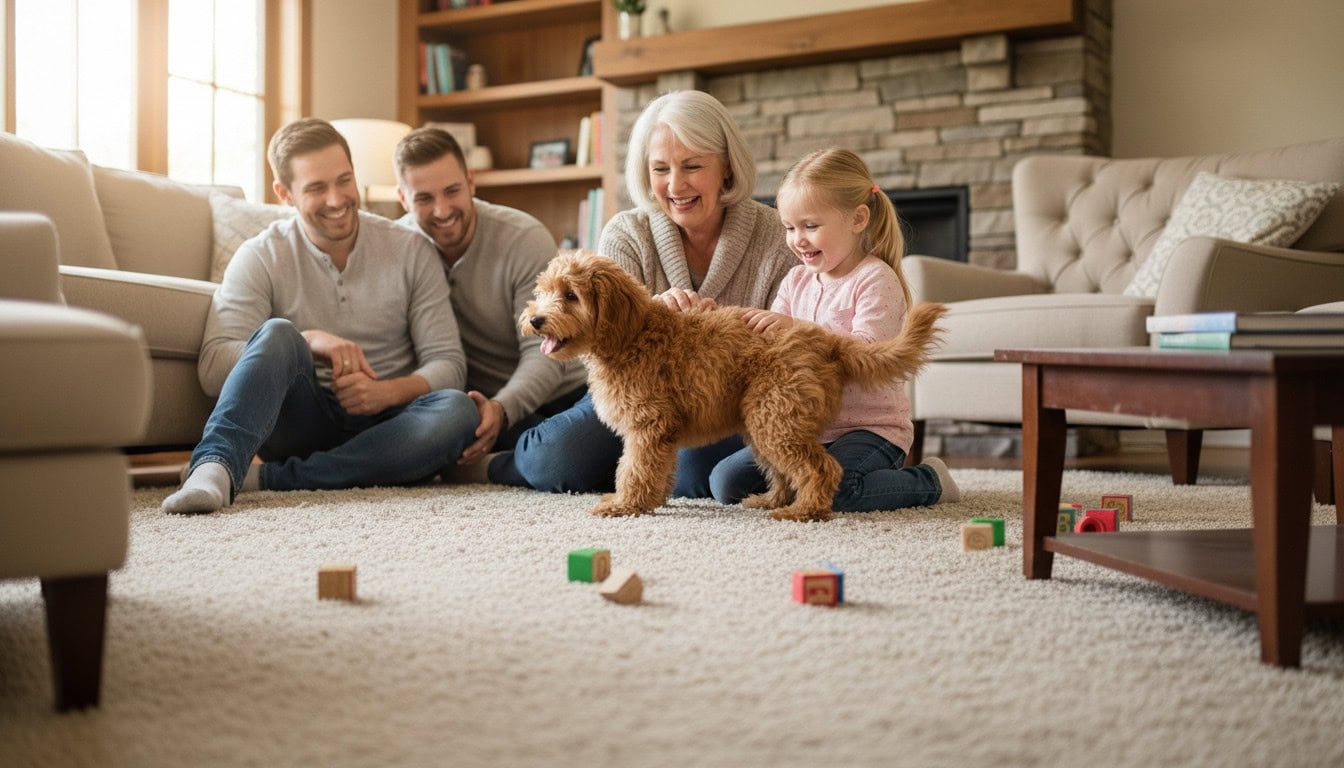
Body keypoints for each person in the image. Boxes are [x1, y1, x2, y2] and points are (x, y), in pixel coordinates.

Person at [161, 118, 477, 514]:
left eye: (344, 180)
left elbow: (449, 363)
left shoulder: (410, 248)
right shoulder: (260, 255)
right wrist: (306, 341)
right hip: (301, 420)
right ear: (284, 193)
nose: (336, 199)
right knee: (278, 332)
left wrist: (387, 392)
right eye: (316, 188)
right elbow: (212, 366)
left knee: (458, 409)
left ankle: (273, 478)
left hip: (390, 425)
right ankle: (213, 467)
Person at [489, 89, 795, 494]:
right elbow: (594, 345)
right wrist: (649, 312)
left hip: (726, 398)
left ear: (725, 167)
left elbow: (792, 334)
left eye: (692, 166)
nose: (675, 184)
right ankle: (503, 462)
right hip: (631, 391)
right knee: (555, 459)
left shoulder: (775, 234)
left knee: (695, 475)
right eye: (660, 168)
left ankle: (621, 474)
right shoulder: (626, 232)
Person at [708, 148, 961, 510]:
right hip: (803, 430)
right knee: (726, 482)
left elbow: (869, 354)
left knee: (838, 491)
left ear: (858, 219)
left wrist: (798, 328)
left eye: (811, 226)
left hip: (870, 429)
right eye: (790, 228)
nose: (798, 239)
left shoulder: (875, 279)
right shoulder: (795, 280)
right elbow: (767, 348)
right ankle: (806, 481)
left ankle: (929, 481)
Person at [392, 128, 586, 479]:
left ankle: (495, 466)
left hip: (561, 393)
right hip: (480, 408)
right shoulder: (399, 248)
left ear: (471, 182)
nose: (442, 210)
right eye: (423, 198)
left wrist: (502, 408)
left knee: (563, 459)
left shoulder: (522, 237)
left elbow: (545, 353)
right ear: (403, 199)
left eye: (452, 190)